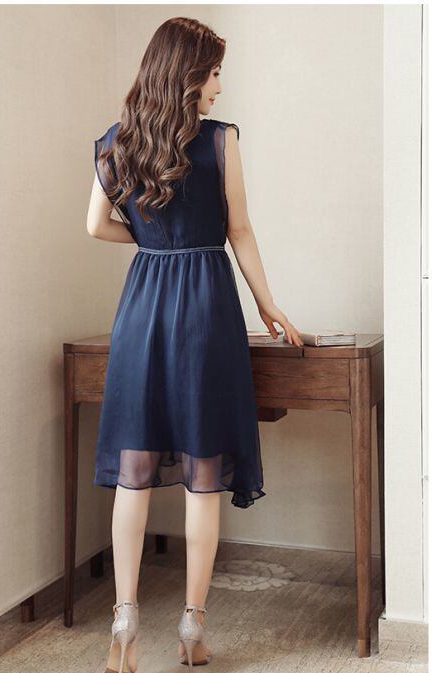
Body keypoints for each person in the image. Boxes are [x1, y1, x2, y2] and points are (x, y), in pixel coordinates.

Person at [86, 16, 303, 673]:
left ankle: (124, 621)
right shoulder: (220, 140)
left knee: (135, 468)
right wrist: (268, 305)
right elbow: (240, 230)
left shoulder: (116, 141)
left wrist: (150, 241)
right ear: (188, 74)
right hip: (206, 306)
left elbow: (95, 226)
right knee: (202, 475)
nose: (219, 85)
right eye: (213, 73)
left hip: (142, 307)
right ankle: (191, 626)